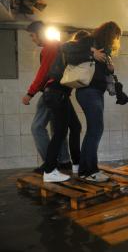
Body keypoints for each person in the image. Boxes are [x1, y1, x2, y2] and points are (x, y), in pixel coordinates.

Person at [21, 21, 70, 173]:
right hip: (62, 93)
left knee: (37, 127)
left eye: (32, 36)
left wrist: (30, 93)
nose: (32, 39)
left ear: (40, 33)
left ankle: (50, 162)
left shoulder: (49, 47)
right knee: (57, 128)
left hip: (51, 92)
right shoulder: (60, 46)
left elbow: (43, 73)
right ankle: (64, 160)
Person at [74, 21, 120, 182]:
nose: (115, 40)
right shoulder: (89, 41)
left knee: (94, 130)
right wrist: (92, 53)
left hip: (96, 92)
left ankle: (85, 171)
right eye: (115, 36)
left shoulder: (104, 48)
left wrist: (110, 68)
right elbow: (66, 49)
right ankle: (90, 171)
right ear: (108, 33)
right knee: (95, 129)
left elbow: (100, 70)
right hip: (88, 91)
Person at [41, 31, 88, 182]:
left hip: (59, 94)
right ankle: (49, 171)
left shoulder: (71, 50)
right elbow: (71, 51)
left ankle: (76, 163)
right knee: (60, 132)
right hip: (56, 93)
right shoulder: (69, 47)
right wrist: (91, 51)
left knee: (75, 126)